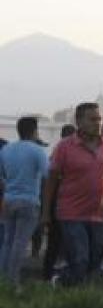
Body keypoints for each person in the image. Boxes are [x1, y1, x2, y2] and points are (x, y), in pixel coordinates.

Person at [42, 103, 103, 286]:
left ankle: (69, 289)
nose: (98, 123)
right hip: (70, 214)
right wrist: (46, 213)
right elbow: (51, 181)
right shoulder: (65, 147)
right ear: (79, 122)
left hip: (98, 215)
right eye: (92, 119)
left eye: (100, 119)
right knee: (80, 260)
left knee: (94, 262)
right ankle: (61, 281)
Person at [0, 116, 49, 286]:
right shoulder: (37, 150)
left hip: (8, 200)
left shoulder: (6, 149)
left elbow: (1, 175)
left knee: (7, 241)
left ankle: (3, 279)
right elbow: (48, 175)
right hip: (29, 201)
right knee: (20, 243)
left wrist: (8, 186)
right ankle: (13, 282)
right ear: (35, 131)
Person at [41, 124, 75, 280]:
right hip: (66, 203)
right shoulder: (67, 152)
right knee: (65, 240)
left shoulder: (55, 153)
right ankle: (59, 272)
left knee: (54, 242)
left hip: (57, 201)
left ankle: (48, 273)